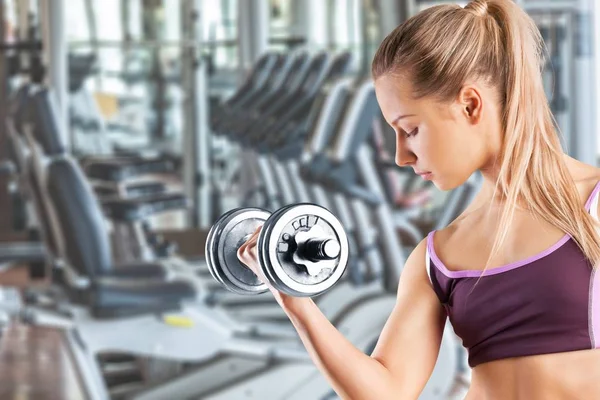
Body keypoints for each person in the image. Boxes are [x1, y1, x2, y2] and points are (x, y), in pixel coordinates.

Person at [238, 0, 600, 398]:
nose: (400, 156)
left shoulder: (594, 203)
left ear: (470, 105)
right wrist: (294, 300)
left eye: (409, 129)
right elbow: (387, 391)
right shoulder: (437, 256)